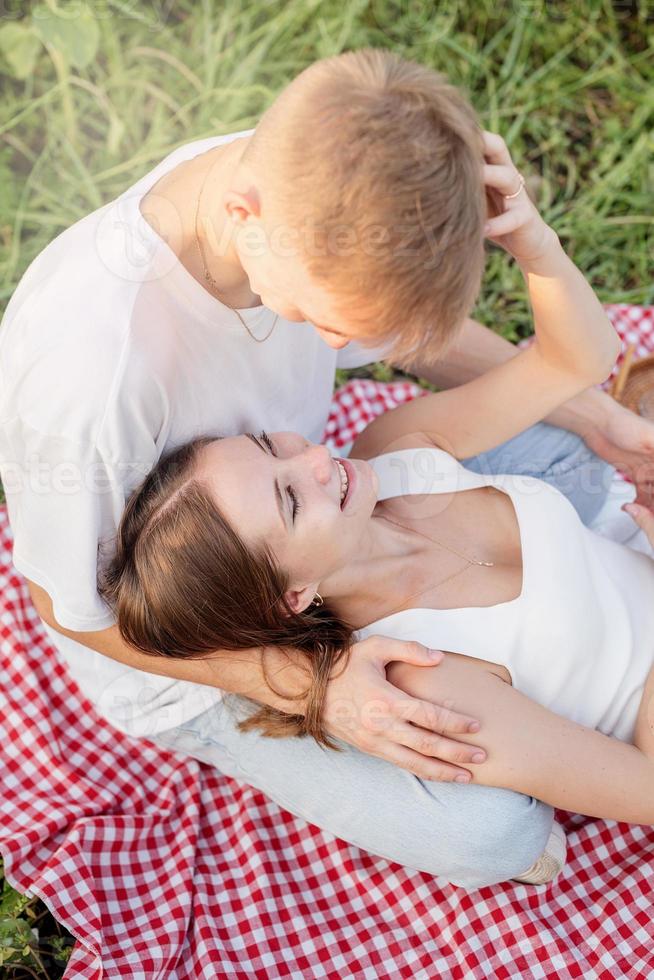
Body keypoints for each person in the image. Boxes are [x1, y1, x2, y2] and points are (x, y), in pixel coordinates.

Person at [0, 47, 642, 886]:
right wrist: (318, 684)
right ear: (245, 214)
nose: (339, 348)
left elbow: (420, 334)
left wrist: (596, 415)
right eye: (321, 318)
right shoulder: (93, 374)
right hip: (192, 634)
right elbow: (69, 604)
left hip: (343, 522)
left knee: (585, 461)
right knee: (490, 833)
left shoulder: (316, 178)